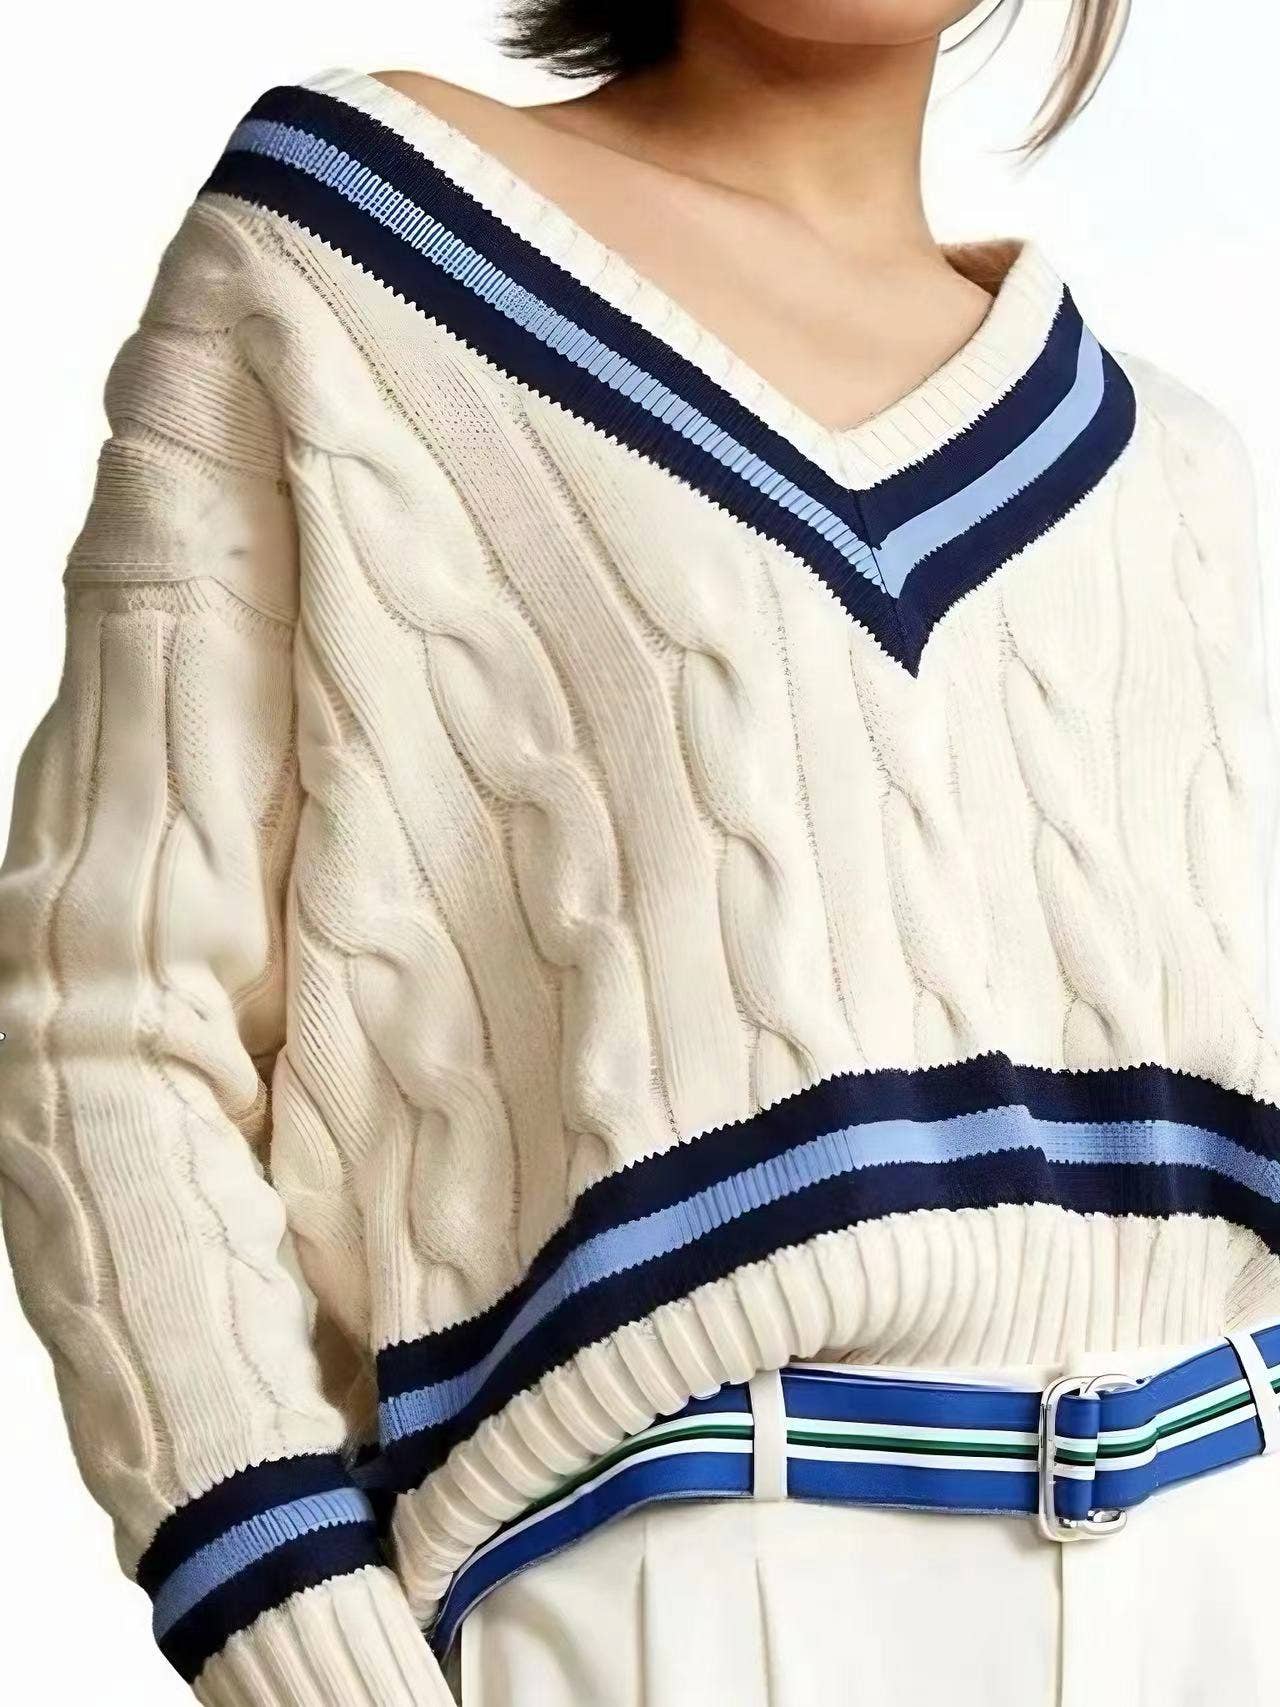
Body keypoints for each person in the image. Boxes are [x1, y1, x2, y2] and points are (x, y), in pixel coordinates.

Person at [2, 3, 1278, 1704]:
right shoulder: (358, 254)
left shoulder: (1173, 470)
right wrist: (297, 1628)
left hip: (1223, 1559)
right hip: (683, 1591)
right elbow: (107, 1019)